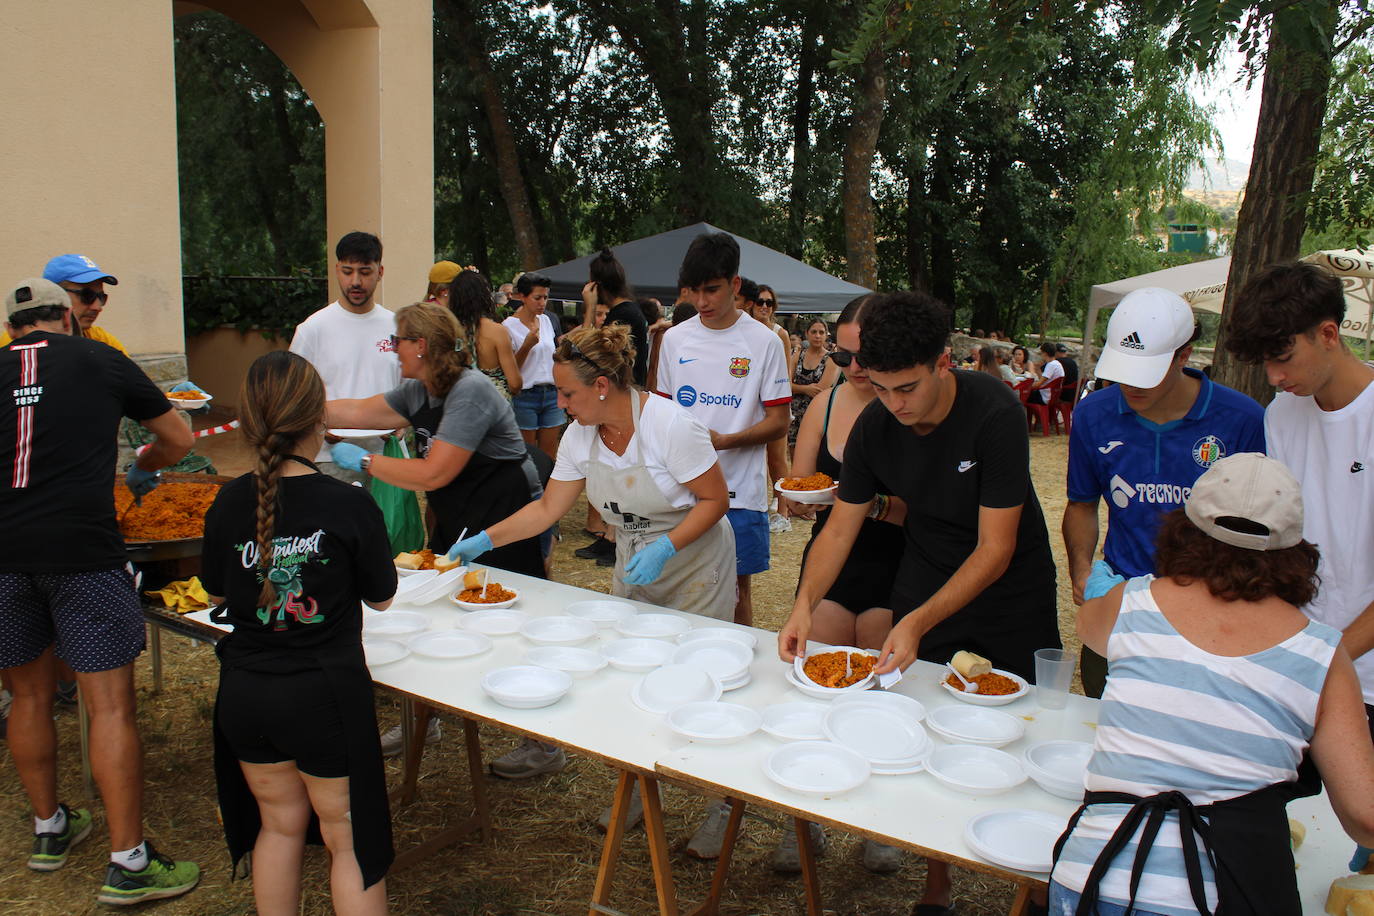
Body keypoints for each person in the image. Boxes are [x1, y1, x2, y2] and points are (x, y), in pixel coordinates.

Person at [779, 290, 1058, 915]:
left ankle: (1037, 885)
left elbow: (995, 547)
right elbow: (841, 529)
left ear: (942, 363)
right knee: (924, 725)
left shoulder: (995, 412)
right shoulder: (876, 426)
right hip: (925, 576)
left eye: (906, 387)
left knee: (1025, 730)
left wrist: (916, 619)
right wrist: (803, 605)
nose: (894, 404)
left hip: (1011, 588)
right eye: (880, 389)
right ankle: (936, 886)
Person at [1049, 453, 1374, 915]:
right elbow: (1365, 816)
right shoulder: (1321, 654)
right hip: (1230, 890)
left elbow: (1087, 626)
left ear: (1185, 528)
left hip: (1095, 878)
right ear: (1295, 551)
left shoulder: (1131, 603)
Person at [0, 277, 199, 905]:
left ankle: (49, 828)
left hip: (5, 554)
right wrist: (142, 467)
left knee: (28, 696)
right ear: (68, 317)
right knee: (109, 706)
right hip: (83, 551)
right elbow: (180, 438)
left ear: (12, 329)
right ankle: (129, 861)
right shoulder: (100, 356)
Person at [202, 351, 395, 915]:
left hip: (246, 694)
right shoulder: (347, 502)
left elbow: (216, 594)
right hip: (322, 697)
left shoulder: (227, 502)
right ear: (319, 421)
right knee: (349, 841)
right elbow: (381, 597)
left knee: (279, 827)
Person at [1063, 287, 1264, 696]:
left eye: (1145, 375)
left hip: (1208, 614)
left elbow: (1257, 533)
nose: (1130, 388)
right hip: (1120, 602)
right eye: (1121, 373)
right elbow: (1082, 504)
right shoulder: (1093, 414)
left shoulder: (1242, 420)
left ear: (1184, 356)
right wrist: (1082, 570)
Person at [775, 294, 906, 874]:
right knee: (816, 688)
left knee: (880, 697)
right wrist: (796, 500)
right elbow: (803, 479)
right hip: (832, 558)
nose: (853, 367)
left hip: (894, 561)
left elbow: (917, 508)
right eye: (845, 355)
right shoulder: (826, 403)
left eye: (862, 355)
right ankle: (804, 819)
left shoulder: (902, 404)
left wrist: (863, 504)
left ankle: (879, 823)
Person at [1224, 262, 1374, 727]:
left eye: (1282, 358)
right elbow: (1282, 539)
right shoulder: (1283, 413)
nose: (1272, 377)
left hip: (1363, 678)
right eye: (1263, 362)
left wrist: (1324, 660)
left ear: (1328, 334)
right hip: (1295, 662)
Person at [326, 302, 544, 578]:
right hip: (457, 514)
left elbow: (433, 474)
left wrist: (366, 461)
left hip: (500, 520)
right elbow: (358, 412)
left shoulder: (469, 390)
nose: (394, 349)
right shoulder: (417, 390)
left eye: (397, 341)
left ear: (420, 345)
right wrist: (301, 411)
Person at [656, 232, 791, 627]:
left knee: (734, 592)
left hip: (740, 495)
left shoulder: (764, 342)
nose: (702, 302)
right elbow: (661, 413)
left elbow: (779, 421)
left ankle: (737, 668)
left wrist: (725, 441)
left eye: (712, 290)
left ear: (734, 285)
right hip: (680, 492)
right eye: (694, 291)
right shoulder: (675, 339)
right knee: (680, 587)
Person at [289, 232, 399, 484]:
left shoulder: (398, 327)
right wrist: (319, 426)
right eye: (348, 271)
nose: (356, 281)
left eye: (365, 272)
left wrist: (403, 424)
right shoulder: (313, 329)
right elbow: (292, 392)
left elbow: (411, 389)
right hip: (330, 459)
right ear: (337, 270)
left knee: (386, 525)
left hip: (387, 458)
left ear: (380, 272)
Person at [1, 254, 129, 352]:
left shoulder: (103, 340)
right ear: (55, 294)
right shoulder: (13, 343)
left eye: (101, 297)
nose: (97, 307)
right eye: (87, 296)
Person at [503, 272, 564, 458]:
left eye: (545, 297)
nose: (542, 303)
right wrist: (526, 346)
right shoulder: (509, 326)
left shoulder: (546, 320)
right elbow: (511, 367)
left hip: (551, 393)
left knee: (549, 453)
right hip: (525, 395)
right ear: (522, 296)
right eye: (537, 298)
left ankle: (547, 487)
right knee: (528, 454)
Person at [448, 268, 523, 400]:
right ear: (484, 295)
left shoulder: (450, 331)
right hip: (494, 403)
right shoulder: (497, 331)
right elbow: (515, 383)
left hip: (461, 401)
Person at [788, 317, 840, 447]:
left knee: (814, 456)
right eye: (814, 332)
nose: (817, 336)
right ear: (807, 334)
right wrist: (806, 389)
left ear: (826, 335)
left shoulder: (831, 359)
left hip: (817, 414)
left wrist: (796, 387)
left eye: (821, 332)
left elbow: (820, 390)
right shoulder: (798, 355)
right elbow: (785, 385)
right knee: (794, 453)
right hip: (794, 414)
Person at [1029, 341, 1063, 405]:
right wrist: (1038, 369)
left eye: (1041, 353)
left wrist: (1025, 387)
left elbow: (1039, 384)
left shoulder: (1051, 365)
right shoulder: (1057, 364)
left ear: (1045, 353)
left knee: (1023, 395)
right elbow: (1044, 380)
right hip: (1053, 396)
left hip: (1045, 397)